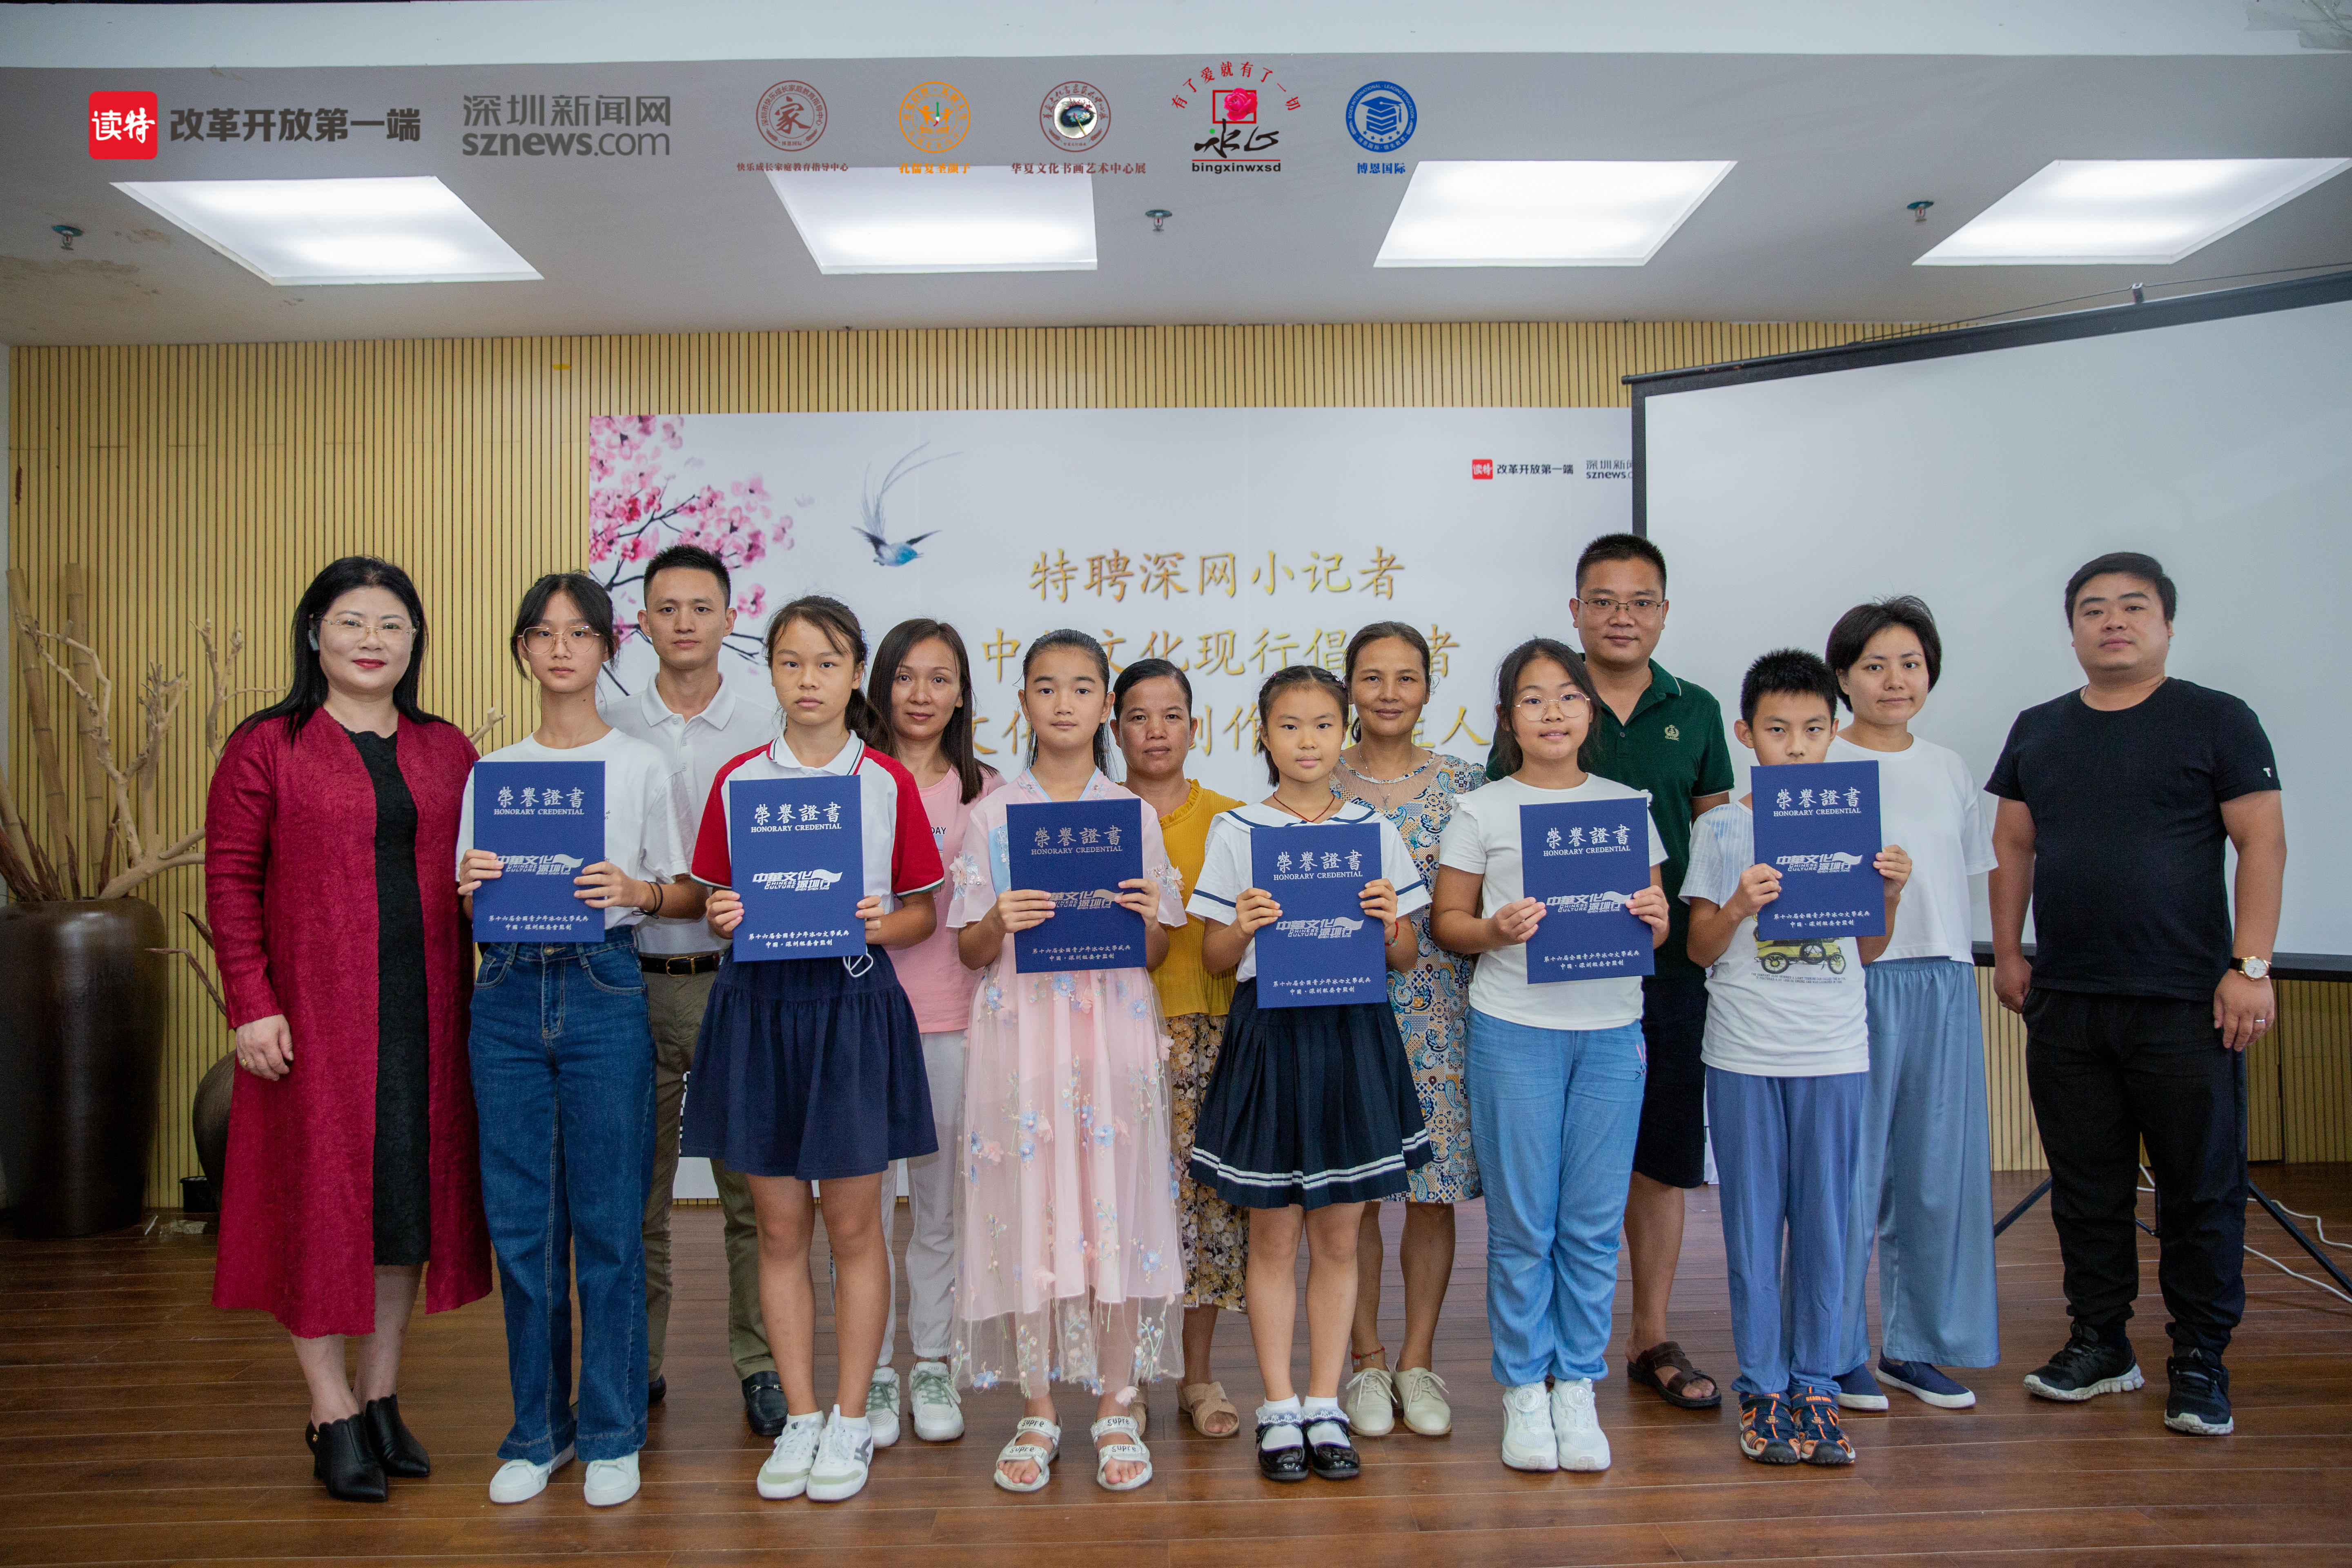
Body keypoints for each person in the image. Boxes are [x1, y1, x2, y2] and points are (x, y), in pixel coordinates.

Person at [206, 556, 491, 1503]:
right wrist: (251, 1002)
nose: (373, 641)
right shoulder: (269, 746)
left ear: (415, 643)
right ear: (314, 634)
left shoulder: (448, 750)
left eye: (391, 625)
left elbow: (476, 874)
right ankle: (329, 1409)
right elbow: (230, 882)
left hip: (427, 1013)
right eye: (352, 622)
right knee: (317, 1206)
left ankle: (380, 1396)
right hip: (314, 1024)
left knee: (405, 1207)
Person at [1989, 552, 2285, 1439]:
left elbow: (2262, 844)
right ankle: (2100, 1343)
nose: (2112, 621)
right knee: (2087, 1187)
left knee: (2200, 1189)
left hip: (2187, 1002)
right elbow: (2013, 847)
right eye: (2093, 609)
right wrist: (2009, 952)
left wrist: (2251, 967)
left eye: (2132, 606)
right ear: (2072, 629)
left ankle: (2200, 1357)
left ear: (2166, 624)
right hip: (2067, 1000)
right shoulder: (2039, 728)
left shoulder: (2217, 718)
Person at [682, 595, 943, 1505]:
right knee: (780, 1229)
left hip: (851, 1006)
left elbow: (924, 914)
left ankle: (850, 1415)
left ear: (854, 674)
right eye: (791, 663)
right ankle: (800, 1416)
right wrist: (722, 913)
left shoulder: (886, 782)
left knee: (856, 1228)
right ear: (772, 672)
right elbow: (711, 902)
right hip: (759, 1009)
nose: (808, 681)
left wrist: (882, 923)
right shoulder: (737, 781)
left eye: (828, 664)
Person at [457, 572, 699, 1509]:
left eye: (580, 633)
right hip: (508, 990)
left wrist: (636, 892)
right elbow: (473, 905)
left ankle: (609, 1429)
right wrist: (472, 886)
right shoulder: (493, 772)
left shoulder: (638, 763)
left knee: (607, 1223)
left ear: (607, 648)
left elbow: (682, 890)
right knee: (523, 1229)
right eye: (543, 633)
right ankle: (537, 1431)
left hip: (604, 985)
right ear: (523, 650)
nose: (561, 648)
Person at [1493, 533, 1733, 1411]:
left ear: (1664, 612)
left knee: (1661, 1160)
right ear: (1576, 610)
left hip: (1668, 970)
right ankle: (1550, 1361)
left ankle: (1649, 1333)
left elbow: (1716, 835)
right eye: (1603, 600)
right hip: (1551, 983)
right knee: (1558, 1178)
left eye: (1640, 602)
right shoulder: (1545, 703)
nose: (1621, 617)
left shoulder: (1697, 710)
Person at [946, 630, 1187, 1493]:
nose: (1063, 703)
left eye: (1082, 688)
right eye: (1045, 687)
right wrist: (997, 920)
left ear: (1105, 707)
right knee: (1032, 1206)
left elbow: (1156, 951)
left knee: (1113, 1208)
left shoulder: (1133, 816)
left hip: (1111, 1029)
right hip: (1024, 1033)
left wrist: (1146, 914)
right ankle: (1039, 1408)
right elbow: (970, 950)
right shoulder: (991, 815)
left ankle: (1117, 1405)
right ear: (1022, 703)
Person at [1189, 664, 1432, 1485]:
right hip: (1271, 1035)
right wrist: (1244, 924)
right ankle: (1278, 1406)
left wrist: (1389, 923)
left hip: (1353, 1033)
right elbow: (1215, 957)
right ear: (1263, 735)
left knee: (1338, 1233)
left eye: (1323, 725)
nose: (1307, 741)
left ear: (1345, 732)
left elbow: (1404, 954)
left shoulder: (1372, 830)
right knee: (1273, 1234)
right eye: (1289, 726)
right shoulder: (1238, 830)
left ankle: (1326, 1402)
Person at [1433, 639, 1670, 1472]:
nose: (1553, 713)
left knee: (1594, 1225)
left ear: (1589, 711)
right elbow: (1448, 924)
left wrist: (1654, 919)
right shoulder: (1481, 810)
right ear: (1508, 719)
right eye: (1532, 700)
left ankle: (1578, 1384)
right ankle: (1524, 1391)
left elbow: (1655, 922)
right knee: (1524, 1225)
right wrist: (1495, 930)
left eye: (1567, 697)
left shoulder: (1625, 807)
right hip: (1515, 1030)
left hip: (1611, 1032)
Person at [1684, 649, 1910, 1468]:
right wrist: (1738, 905)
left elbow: (1868, 951)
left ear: (1834, 732)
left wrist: (1889, 893)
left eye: (1814, 729)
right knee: (1752, 1225)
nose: (1797, 745)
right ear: (1746, 734)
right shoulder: (1721, 828)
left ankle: (1817, 1383)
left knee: (1827, 1223)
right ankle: (1763, 1386)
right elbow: (1700, 949)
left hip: (1835, 1049)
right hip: (1744, 1050)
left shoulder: (1855, 818)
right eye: (1778, 730)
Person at [597, 543, 787, 1439]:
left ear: (728, 619)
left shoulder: (769, 722)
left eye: (701, 607)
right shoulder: (607, 724)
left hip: (739, 984)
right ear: (641, 623)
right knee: (639, 1194)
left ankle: (762, 1363)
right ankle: (636, 1365)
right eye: (666, 608)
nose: (684, 623)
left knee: (756, 1195)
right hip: (628, 981)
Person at [1821, 597, 2000, 1413]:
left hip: (1943, 978)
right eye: (1874, 666)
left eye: (1911, 664)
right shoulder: (1820, 761)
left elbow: (1966, 879)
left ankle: (1918, 1347)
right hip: (1852, 980)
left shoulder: (1951, 767)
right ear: (1843, 677)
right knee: (1847, 1175)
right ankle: (1834, 1351)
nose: (1895, 680)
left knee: (1936, 1173)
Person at [1333, 621, 1484, 1441]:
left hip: (1440, 1011)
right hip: (1340, 1013)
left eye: (1406, 677)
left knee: (1433, 1194)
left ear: (1428, 688)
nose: (1389, 693)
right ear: (1348, 687)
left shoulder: (1469, 784)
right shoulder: (1316, 779)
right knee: (1354, 1195)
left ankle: (1418, 1361)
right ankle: (1365, 1360)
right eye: (1372, 677)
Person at [864, 617, 1000, 1448]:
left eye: (940, 678)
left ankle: (932, 1363)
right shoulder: (850, 779)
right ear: (880, 685)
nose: (921, 695)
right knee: (864, 1212)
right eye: (906, 676)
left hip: (953, 1017)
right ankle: (874, 1369)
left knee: (940, 1207)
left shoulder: (989, 791)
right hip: (857, 1018)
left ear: (961, 694)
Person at [1113, 657, 1249, 1443]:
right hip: (1120, 1034)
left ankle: (1197, 1375)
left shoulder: (1235, 819)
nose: (1155, 731)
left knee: (1209, 1212)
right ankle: (1127, 1379)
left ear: (1195, 728)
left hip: (1216, 1031)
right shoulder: (1094, 818)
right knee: (1129, 1208)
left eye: (1171, 716)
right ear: (1115, 729)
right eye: (1138, 716)